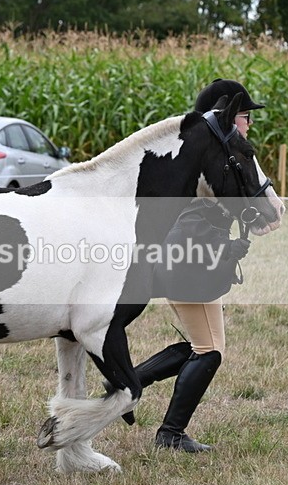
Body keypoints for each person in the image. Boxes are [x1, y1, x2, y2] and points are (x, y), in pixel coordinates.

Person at [113, 79, 266, 453]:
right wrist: (228, 250)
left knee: (199, 346)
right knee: (210, 350)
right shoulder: (210, 164)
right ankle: (168, 431)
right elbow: (191, 226)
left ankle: (128, 384)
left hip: (184, 266)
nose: (248, 123)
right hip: (187, 267)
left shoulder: (205, 156)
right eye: (245, 116)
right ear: (225, 117)